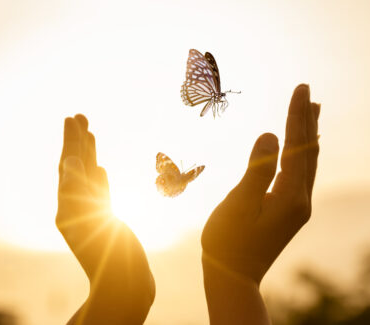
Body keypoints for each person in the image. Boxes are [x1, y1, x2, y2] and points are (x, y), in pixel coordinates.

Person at [56, 83, 320, 324]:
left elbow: (123, 291)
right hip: (174, 188)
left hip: (171, 187)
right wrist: (236, 278)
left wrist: (117, 293)